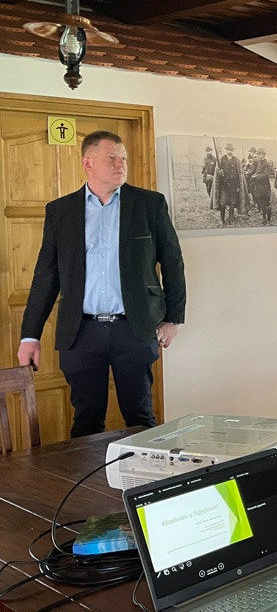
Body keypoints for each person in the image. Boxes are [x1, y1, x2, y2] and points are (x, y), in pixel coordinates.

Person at [17, 130, 186, 437]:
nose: (120, 164)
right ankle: (86, 472)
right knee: (86, 421)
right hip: (81, 332)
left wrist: (173, 318)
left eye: (123, 158)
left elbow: (172, 262)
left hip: (133, 329)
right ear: (88, 163)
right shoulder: (61, 211)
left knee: (140, 418)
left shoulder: (149, 204)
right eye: (111, 158)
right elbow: (46, 276)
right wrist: (30, 335)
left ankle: (143, 469)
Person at [216, 142, 243, 226]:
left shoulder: (236, 160)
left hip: (233, 186)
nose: (229, 152)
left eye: (231, 150)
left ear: (233, 151)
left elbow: (239, 174)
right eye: (228, 150)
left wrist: (238, 186)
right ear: (226, 150)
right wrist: (219, 173)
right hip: (224, 186)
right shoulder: (221, 159)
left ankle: (231, 219)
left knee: (232, 203)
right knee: (222, 203)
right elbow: (216, 174)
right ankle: (222, 220)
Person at [250, 147, 274, 225]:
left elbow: (266, 175)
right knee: (261, 204)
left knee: (266, 204)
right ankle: (264, 218)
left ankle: (269, 220)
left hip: (264, 188)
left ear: (263, 155)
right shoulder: (260, 162)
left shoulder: (266, 164)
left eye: (259, 154)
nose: (258, 155)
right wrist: (254, 175)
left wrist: (255, 176)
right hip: (259, 187)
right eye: (257, 154)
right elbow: (257, 172)